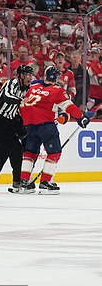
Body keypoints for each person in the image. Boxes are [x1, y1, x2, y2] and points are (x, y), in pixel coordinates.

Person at [18, 66, 90, 194]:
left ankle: (24, 182)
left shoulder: (33, 88)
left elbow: (23, 104)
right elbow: (68, 106)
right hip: (46, 126)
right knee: (54, 152)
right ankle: (45, 182)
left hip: (29, 126)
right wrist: (81, 117)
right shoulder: (57, 90)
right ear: (57, 78)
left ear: (45, 75)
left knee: (29, 153)